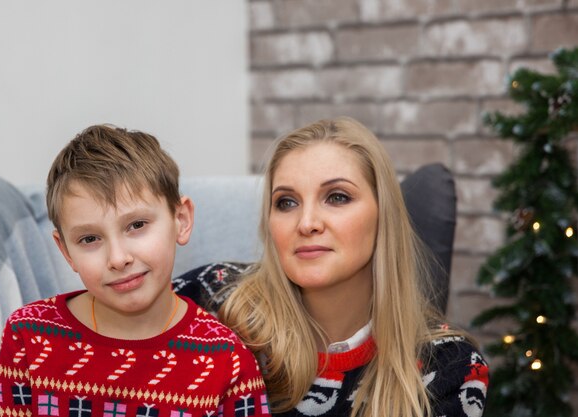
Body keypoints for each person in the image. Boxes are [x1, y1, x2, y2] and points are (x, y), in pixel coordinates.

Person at [178, 117, 488, 417]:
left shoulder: (449, 365)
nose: (307, 223)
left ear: (383, 215)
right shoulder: (209, 298)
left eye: (337, 197)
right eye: (286, 202)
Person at [0, 125, 270, 417]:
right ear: (65, 252)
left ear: (181, 219)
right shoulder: (28, 336)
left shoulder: (228, 361)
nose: (118, 258)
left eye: (136, 225)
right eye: (89, 239)